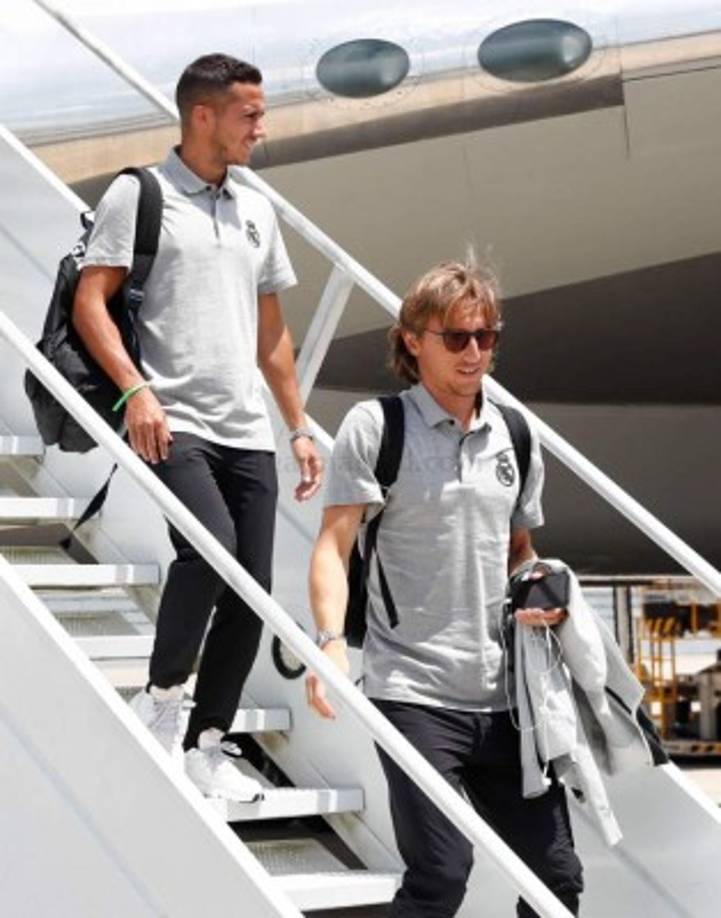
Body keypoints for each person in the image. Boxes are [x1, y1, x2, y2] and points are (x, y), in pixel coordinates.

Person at [73, 53, 322, 801]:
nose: (261, 128)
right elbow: (91, 302)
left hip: (246, 427)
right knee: (209, 552)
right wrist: (135, 392)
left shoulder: (255, 208)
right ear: (203, 115)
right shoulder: (139, 194)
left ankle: (208, 744)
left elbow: (271, 331)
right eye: (250, 114)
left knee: (253, 590)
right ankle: (160, 700)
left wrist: (298, 424)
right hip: (171, 418)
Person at [306, 258, 583, 916]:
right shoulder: (378, 428)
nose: (473, 352)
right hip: (414, 692)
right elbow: (333, 547)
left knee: (557, 879)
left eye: (486, 336)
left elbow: (518, 550)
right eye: (456, 337)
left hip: (506, 699)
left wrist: (538, 589)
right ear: (413, 339)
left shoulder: (516, 434)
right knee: (441, 873)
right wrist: (328, 643)